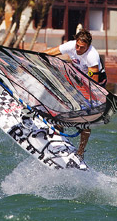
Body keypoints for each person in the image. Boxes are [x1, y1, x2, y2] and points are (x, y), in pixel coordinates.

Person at [45, 28, 106, 159]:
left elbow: (93, 85)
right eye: (77, 45)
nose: (78, 49)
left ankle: (80, 151)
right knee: (62, 101)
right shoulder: (71, 45)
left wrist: (86, 99)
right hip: (78, 76)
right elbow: (51, 52)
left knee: (86, 117)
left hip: (95, 83)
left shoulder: (92, 56)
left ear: (88, 46)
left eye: (82, 47)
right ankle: (59, 130)